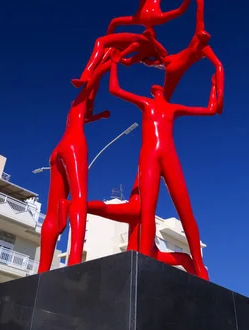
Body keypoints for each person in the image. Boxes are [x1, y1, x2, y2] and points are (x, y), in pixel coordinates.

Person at [108, 50, 218, 281]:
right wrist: (115, 63)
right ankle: (146, 261)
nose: (157, 86)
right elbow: (114, 90)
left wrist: (217, 77)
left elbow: (211, 109)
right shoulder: (146, 103)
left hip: (167, 156)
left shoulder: (172, 108)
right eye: (154, 86)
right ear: (151, 91)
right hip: (150, 157)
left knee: (185, 208)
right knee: (147, 210)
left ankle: (199, 265)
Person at [38, 93, 109, 273]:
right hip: (73, 144)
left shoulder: (73, 112)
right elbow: (94, 77)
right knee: (80, 197)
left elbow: (83, 117)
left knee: (52, 212)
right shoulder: (83, 97)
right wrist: (111, 64)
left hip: (58, 149)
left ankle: (42, 270)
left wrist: (99, 116)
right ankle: (75, 260)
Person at [87, 175, 197, 276]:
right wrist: (83, 206)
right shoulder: (136, 208)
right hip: (142, 255)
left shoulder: (143, 209)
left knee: (185, 259)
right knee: (185, 259)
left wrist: (83, 206)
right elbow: (105, 209)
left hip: (149, 253)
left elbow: (104, 209)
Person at [158, 0, 224, 107]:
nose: (204, 34)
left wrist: (220, 96)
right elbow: (200, 3)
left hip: (176, 69)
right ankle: (138, 58)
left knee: (163, 101)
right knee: (159, 56)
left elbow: (219, 65)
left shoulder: (204, 48)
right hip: (173, 61)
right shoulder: (198, 36)